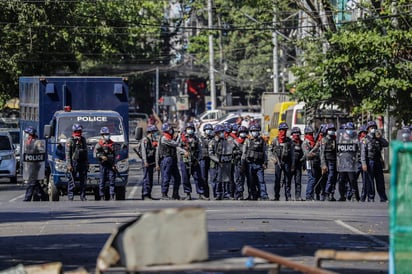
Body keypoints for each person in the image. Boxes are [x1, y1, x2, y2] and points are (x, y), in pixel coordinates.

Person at [177, 122, 208, 200]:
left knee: (198, 177)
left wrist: (199, 158)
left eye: (191, 129)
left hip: (194, 160)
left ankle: (201, 194)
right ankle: (188, 194)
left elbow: (200, 149)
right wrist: (184, 152)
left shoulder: (196, 138)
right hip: (185, 160)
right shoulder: (182, 138)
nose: (189, 130)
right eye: (188, 129)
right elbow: (177, 147)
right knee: (185, 178)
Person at [360, 120, 389, 202]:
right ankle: (371, 197)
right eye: (371, 128)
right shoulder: (365, 139)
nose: (373, 129)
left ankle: (383, 198)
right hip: (369, 161)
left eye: (374, 127)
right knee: (369, 181)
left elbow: (386, 144)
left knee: (380, 180)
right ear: (368, 129)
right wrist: (364, 164)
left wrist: (380, 138)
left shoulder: (378, 138)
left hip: (378, 161)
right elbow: (363, 153)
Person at [242, 124, 269, 200]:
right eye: (253, 131)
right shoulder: (247, 140)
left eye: (256, 131)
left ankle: (264, 195)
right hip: (250, 163)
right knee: (251, 181)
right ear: (251, 132)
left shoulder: (262, 141)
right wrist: (243, 164)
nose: (255, 132)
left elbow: (265, 152)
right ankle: (252, 195)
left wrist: (265, 162)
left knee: (261, 181)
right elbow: (244, 153)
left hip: (259, 164)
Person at [156, 123, 181, 200]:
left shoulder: (170, 138)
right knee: (166, 177)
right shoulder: (164, 138)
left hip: (172, 159)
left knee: (177, 177)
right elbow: (175, 144)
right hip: (167, 159)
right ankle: (164, 194)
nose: (171, 130)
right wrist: (179, 136)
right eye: (169, 129)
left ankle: (175, 194)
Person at [270, 122, 294, 201]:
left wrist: (292, 164)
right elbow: (270, 151)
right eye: (282, 130)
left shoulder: (289, 141)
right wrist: (274, 159)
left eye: (285, 130)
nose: (283, 132)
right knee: (277, 179)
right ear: (279, 130)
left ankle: (288, 196)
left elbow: (292, 153)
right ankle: (277, 196)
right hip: (278, 163)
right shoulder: (275, 140)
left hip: (287, 162)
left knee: (287, 179)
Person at [23, 126, 47, 201]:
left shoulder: (37, 141)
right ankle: (43, 196)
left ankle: (27, 197)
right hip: (29, 163)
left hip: (35, 164)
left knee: (32, 181)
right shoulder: (28, 141)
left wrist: (39, 148)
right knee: (35, 182)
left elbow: (41, 151)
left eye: (28, 133)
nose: (26, 135)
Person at [66, 123, 88, 201]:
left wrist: (86, 163)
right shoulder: (70, 140)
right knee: (72, 180)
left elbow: (86, 152)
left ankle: (83, 196)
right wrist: (69, 165)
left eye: (80, 131)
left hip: (82, 162)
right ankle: (70, 196)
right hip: (74, 162)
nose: (79, 132)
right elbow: (68, 154)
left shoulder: (83, 139)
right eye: (77, 131)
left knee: (83, 180)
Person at [94, 127, 116, 201]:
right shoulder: (99, 144)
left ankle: (112, 195)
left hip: (111, 164)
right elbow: (95, 154)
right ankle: (102, 195)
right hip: (103, 165)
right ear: (102, 135)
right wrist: (101, 156)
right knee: (102, 180)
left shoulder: (112, 144)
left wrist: (114, 164)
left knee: (112, 180)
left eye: (108, 134)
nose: (107, 135)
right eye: (105, 134)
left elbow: (116, 155)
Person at [302, 126, 321, 201]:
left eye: (312, 133)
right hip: (309, 162)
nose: (311, 135)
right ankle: (308, 195)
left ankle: (313, 194)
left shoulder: (313, 142)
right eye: (310, 134)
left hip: (315, 162)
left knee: (315, 179)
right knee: (311, 179)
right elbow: (308, 155)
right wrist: (315, 149)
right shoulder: (305, 143)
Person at [320, 123, 338, 201]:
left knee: (334, 178)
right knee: (329, 177)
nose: (332, 131)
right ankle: (326, 192)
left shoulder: (335, 140)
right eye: (330, 130)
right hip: (328, 161)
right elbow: (322, 153)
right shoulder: (324, 140)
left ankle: (331, 193)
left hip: (335, 161)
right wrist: (323, 164)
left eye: (333, 130)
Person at [140, 125, 159, 200]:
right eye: (154, 132)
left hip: (151, 162)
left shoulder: (152, 140)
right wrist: (145, 161)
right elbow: (143, 152)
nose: (155, 133)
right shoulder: (145, 140)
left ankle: (149, 193)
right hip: (147, 162)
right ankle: (145, 194)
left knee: (150, 178)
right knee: (146, 178)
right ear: (150, 132)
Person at [199, 123, 214, 199]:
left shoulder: (213, 138)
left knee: (213, 178)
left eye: (210, 130)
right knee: (203, 178)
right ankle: (205, 194)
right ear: (204, 130)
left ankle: (216, 194)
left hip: (212, 160)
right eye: (207, 130)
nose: (209, 131)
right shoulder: (200, 138)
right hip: (203, 160)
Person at [290, 127, 304, 201]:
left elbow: (304, 153)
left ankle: (298, 196)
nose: (296, 135)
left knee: (298, 181)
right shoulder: (289, 142)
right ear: (292, 134)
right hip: (290, 165)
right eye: (294, 133)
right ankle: (288, 196)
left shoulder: (302, 143)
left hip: (298, 165)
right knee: (288, 181)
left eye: (298, 133)